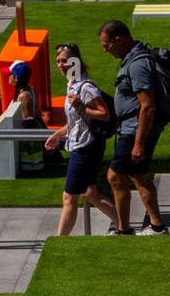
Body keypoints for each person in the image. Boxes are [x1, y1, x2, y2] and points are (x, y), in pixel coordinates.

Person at [97, 19, 168, 236]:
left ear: (118, 40)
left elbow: (147, 106)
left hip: (135, 130)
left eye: (106, 46)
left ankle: (125, 229)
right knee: (138, 175)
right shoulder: (132, 59)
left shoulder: (137, 64)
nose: (106, 51)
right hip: (132, 128)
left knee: (115, 176)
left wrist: (138, 143)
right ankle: (155, 226)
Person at [45, 43, 119, 237]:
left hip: (86, 147)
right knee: (90, 192)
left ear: (75, 62)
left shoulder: (85, 87)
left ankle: (59, 241)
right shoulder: (71, 84)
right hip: (80, 143)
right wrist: (57, 135)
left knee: (68, 197)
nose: (61, 65)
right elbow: (76, 121)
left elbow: (104, 115)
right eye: (58, 61)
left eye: (65, 61)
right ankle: (123, 225)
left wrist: (80, 107)